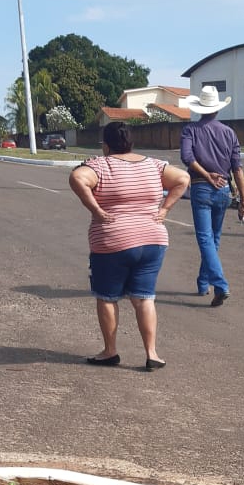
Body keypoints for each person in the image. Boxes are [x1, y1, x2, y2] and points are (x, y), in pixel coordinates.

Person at [69, 121, 190, 371]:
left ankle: (110, 351)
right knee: (145, 298)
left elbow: (77, 178)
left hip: (113, 241)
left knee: (107, 297)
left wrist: (97, 210)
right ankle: (152, 353)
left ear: (106, 145)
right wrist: (165, 209)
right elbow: (183, 178)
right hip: (153, 240)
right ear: (131, 142)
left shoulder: (100, 165)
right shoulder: (153, 165)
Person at [180, 85, 244, 307]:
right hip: (224, 190)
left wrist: (207, 175)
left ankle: (220, 285)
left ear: (200, 108)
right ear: (217, 109)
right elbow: (237, 168)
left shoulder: (191, 130)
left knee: (205, 239)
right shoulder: (229, 133)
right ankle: (202, 282)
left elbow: (187, 157)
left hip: (201, 187)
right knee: (213, 239)